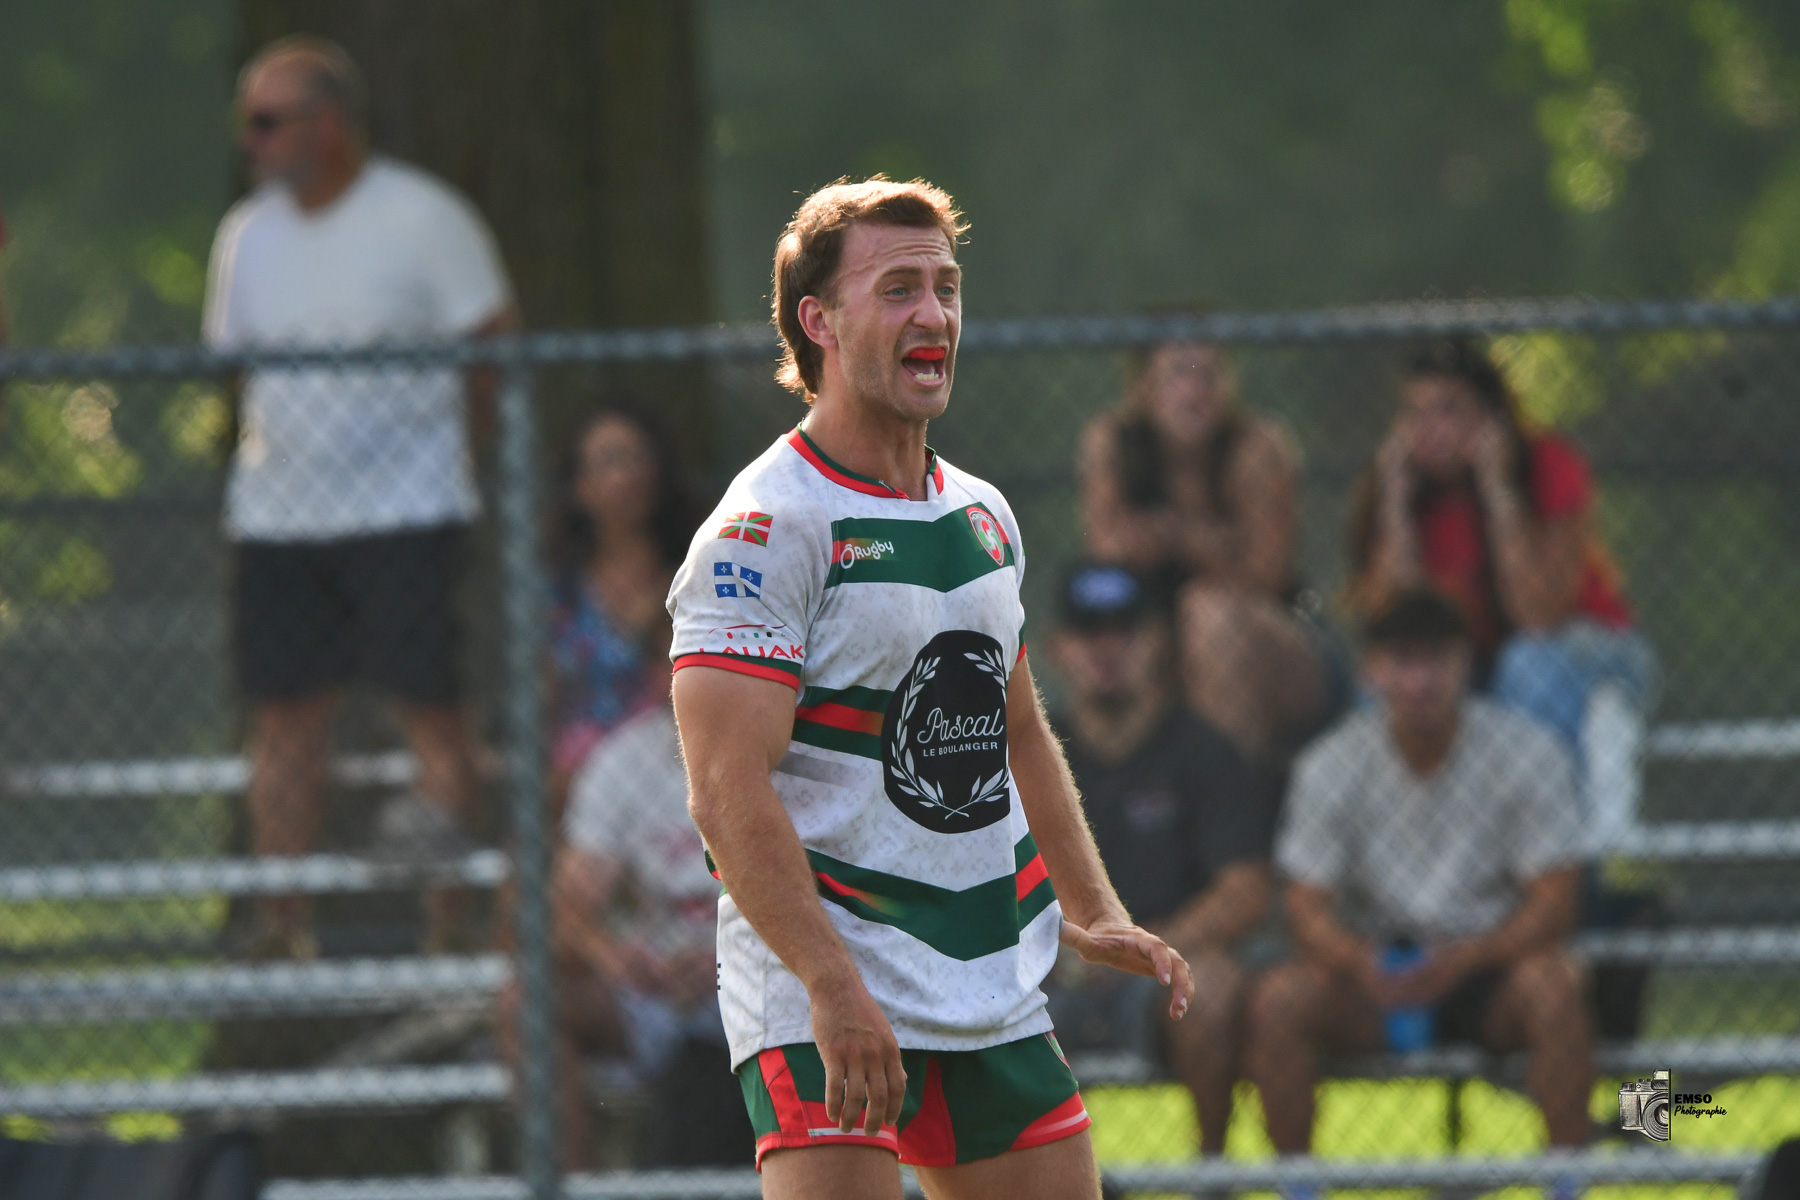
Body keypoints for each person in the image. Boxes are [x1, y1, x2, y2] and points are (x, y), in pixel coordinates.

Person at [669, 177, 1194, 1200]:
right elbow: (726, 791)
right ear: (817, 321)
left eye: (947, 288)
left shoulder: (985, 515)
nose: (936, 316)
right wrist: (831, 985)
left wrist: (1094, 907)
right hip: (829, 987)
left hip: (981, 982)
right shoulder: (765, 529)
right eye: (900, 287)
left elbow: (1021, 730)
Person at [203, 37, 518, 958]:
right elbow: (231, 369)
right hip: (280, 518)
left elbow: (491, 344)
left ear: (326, 123)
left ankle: (447, 926)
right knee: (285, 716)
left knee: (430, 708)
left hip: (407, 509)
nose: (252, 142)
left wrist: (451, 450)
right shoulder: (245, 234)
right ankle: (281, 926)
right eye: (246, 123)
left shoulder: (423, 217)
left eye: (267, 121)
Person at [1246, 588, 1591, 1174]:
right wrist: (1359, 961)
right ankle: (1297, 1187)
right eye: (1402, 661)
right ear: (1372, 672)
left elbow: (1557, 898)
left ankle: (1568, 1181)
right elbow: (1305, 906)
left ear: (1466, 665)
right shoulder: (1329, 764)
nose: (1421, 681)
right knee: (1279, 999)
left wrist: (1470, 957)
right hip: (1372, 977)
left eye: (1437, 660)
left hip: (1489, 973)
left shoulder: (1527, 751)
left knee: (1555, 986)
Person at [1045, 562, 1270, 1159]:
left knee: (1218, 985)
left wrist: (1143, 951)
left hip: (1162, 974)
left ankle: (1211, 1171)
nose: (1106, 649)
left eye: (1124, 630)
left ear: (1159, 644)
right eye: (1088, 632)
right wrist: (1065, 951)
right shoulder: (1030, 753)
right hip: (1045, 970)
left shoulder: (1204, 750)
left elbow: (1245, 890)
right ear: (1057, 648)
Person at [1347, 338, 1655, 763]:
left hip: (1588, 652)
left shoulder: (1546, 464)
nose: (1429, 429)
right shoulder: (1409, 493)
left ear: (1490, 418)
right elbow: (1400, 625)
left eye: (1448, 411)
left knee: (1528, 664)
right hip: (1484, 663)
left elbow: (1537, 617)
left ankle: (1544, 822)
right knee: (1389, 679)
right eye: (1415, 414)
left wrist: (1498, 491)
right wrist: (1395, 507)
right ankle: (1408, 826)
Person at [495, 677, 752, 1169]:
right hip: (659, 987)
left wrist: (732, 958)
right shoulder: (625, 758)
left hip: (771, 980)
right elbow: (568, 908)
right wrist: (612, 956)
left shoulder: (793, 745)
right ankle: (572, 1186)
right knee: (525, 1003)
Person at [1080, 327, 1338, 762]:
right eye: (1179, 374)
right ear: (1142, 389)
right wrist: (1214, 543)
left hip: (1283, 646)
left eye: (1210, 373)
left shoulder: (1255, 446)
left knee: (1208, 614)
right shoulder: (1116, 444)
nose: (1196, 390)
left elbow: (1267, 576)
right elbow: (1105, 560)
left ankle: (1227, 799)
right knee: (1113, 642)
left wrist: (1178, 537)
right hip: (1163, 640)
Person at [546, 406, 698, 811]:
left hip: (675, 755)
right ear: (579, 485)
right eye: (609, 461)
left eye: (637, 457)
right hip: (578, 768)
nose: (627, 475)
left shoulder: (695, 571)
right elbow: (543, 697)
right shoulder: (560, 592)